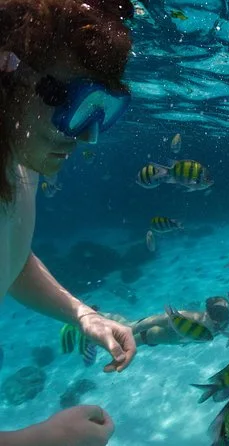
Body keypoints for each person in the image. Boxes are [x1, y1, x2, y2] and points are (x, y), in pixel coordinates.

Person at [0, 1, 137, 444]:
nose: (89, 133)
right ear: (7, 74)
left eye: (103, 108)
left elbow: (10, 256)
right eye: (74, 100)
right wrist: (40, 439)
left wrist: (80, 313)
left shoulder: (21, 161)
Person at [101, 296, 229, 347]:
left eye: (224, 316)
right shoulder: (189, 318)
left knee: (117, 331)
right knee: (121, 329)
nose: (219, 321)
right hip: (144, 334)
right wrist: (128, 333)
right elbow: (151, 322)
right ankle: (97, 314)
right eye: (216, 313)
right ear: (207, 311)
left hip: (154, 339)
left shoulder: (221, 328)